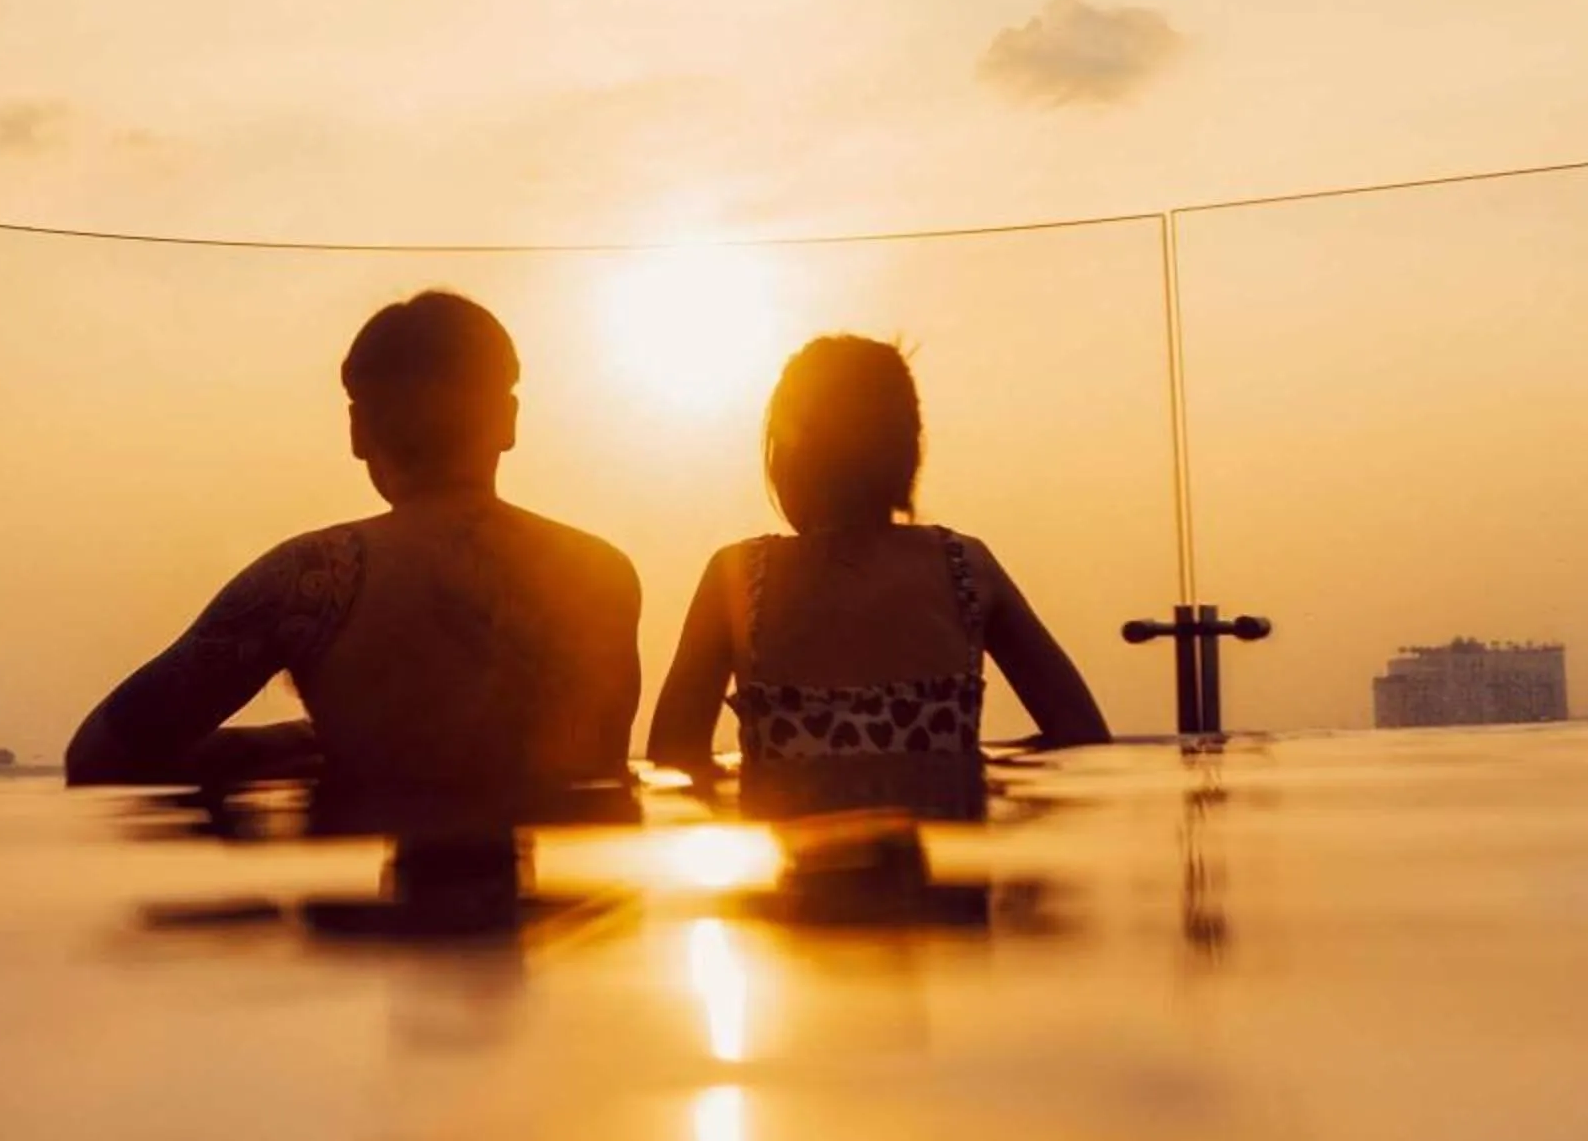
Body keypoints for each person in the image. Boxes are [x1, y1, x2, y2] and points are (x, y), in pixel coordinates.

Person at [66, 292, 642, 825]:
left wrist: (294, 744)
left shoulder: (310, 577)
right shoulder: (601, 576)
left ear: (359, 430)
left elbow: (97, 758)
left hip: (362, 924)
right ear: (508, 420)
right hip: (567, 930)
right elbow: (593, 791)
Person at [647, 334, 1109, 820]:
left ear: (787, 455)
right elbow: (1082, 737)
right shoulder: (966, 569)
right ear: (907, 450)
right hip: (943, 888)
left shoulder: (737, 580)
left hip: (799, 892)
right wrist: (975, 766)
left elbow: (672, 764)